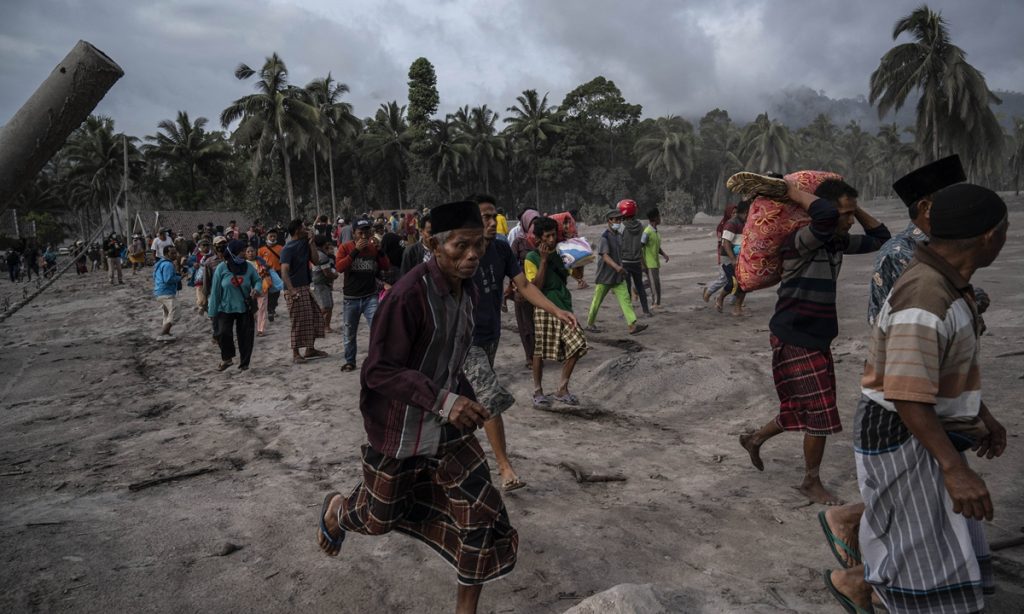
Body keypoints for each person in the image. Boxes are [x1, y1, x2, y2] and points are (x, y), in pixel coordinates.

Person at [316, 201, 517, 614]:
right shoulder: (407, 296)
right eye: (461, 246)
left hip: (446, 427)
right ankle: (338, 510)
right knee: (378, 517)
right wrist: (446, 400)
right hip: (400, 425)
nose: (473, 256)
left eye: (478, 246)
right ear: (433, 243)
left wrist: (465, 398)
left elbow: (449, 357)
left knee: (481, 511)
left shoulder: (470, 290)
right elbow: (379, 371)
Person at [818, 154, 994, 609]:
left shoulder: (938, 257)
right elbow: (904, 352)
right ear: (929, 207)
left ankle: (863, 568)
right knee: (913, 530)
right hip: (907, 398)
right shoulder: (909, 256)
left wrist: (977, 410)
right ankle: (858, 556)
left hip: (924, 387)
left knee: (925, 529)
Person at [739, 179, 890, 505]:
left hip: (815, 336)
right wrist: (789, 191)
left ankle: (754, 438)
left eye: (852, 215)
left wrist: (852, 207)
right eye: (845, 214)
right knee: (821, 413)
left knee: (799, 407)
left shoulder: (835, 242)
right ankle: (811, 482)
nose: (849, 221)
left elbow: (881, 238)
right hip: (794, 333)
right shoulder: (801, 240)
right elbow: (822, 216)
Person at [467, 195, 578, 490]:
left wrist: (556, 310)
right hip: (464, 341)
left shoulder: (502, 248)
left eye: (494, 216)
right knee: (489, 396)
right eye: (484, 217)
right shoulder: (461, 252)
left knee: (465, 399)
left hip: (491, 336)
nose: (492, 222)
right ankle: (504, 468)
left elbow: (525, 286)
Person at [525, 217, 589, 409]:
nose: (552, 239)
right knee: (540, 350)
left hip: (564, 305)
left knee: (578, 343)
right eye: (548, 236)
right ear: (538, 239)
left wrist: (579, 257)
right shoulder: (531, 258)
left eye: (554, 235)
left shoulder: (562, 253)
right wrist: (544, 261)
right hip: (544, 307)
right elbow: (535, 287)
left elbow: (577, 275)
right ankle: (537, 390)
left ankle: (562, 387)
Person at [334, 219, 390, 371]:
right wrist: (355, 251)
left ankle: (378, 360)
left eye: (367, 232)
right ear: (354, 234)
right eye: (360, 233)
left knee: (377, 328)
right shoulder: (345, 247)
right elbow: (339, 267)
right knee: (349, 333)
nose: (364, 236)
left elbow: (385, 266)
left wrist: (380, 251)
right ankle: (350, 361)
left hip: (370, 296)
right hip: (351, 298)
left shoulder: (373, 248)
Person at [585, 210, 649, 335]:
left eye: (620, 219)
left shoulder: (619, 236)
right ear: (609, 221)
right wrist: (617, 267)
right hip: (605, 276)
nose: (619, 222)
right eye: (616, 220)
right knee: (597, 301)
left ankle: (632, 325)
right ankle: (590, 323)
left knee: (625, 299)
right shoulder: (605, 237)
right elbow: (605, 256)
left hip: (618, 277)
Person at [207, 239, 262, 371]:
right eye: (241, 251)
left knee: (246, 337)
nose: (244, 253)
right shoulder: (221, 268)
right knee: (223, 333)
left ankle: (244, 364)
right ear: (232, 253)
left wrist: (257, 289)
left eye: (244, 251)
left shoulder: (249, 267)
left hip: (244, 307)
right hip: (225, 308)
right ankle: (227, 359)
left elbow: (257, 280)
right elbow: (215, 292)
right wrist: (212, 313)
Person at [280, 219, 327, 363]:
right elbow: (284, 272)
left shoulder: (305, 243)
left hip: (305, 286)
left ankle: (310, 349)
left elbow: (316, 260)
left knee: (315, 316)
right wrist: (292, 290)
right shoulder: (288, 249)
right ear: (297, 231)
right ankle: (296, 353)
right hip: (294, 289)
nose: (306, 229)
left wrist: (312, 242)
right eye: (303, 228)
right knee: (298, 321)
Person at [509, 209, 541, 366]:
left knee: (539, 323)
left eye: (537, 222)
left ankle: (539, 354)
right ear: (526, 224)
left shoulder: (542, 240)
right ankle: (530, 356)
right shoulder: (518, 242)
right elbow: (510, 266)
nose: (535, 226)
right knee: (526, 325)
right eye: (532, 223)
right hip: (522, 289)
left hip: (540, 288)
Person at [617, 199, 652, 318]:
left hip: (625, 262)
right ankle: (646, 311)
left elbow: (618, 243)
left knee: (626, 290)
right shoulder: (641, 226)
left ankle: (626, 313)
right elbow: (642, 244)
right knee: (640, 287)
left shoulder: (621, 227)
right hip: (637, 261)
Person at [715, 200, 750, 316]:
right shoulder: (732, 223)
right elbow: (726, 243)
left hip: (740, 257)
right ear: (745, 212)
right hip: (729, 258)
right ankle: (720, 298)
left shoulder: (745, 223)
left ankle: (737, 307)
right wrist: (733, 259)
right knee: (733, 282)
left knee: (745, 282)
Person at [703, 201, 739, 302]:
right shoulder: (723, 226)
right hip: (725, 256)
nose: (735, 215)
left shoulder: (736, 224)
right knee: (725, 278)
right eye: (733, 213)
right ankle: (709, 291)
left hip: (734, 255)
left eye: (736, 212)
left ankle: (734, 298)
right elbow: (722, 243)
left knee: (735, 277)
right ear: (728, 213)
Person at [641, 208, 669, 309]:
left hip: (655, 262)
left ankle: (656, 302)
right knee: (654, 284)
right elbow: (641, 246)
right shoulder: (647, 232)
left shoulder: (655, 231)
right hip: (649, 262)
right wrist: (642, 263)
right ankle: (655, 303)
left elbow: (656, 246)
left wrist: (664, 254)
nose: (660, 218)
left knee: (655, 283)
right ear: (654, 218)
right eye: (659, 216)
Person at [153, 244, 182, 341]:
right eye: (172, 253)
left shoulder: (160, 263)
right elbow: (168, 279)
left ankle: (166, 334)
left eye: (175, 252)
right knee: (175, 311)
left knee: (167, 313)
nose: (174, 255)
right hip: (166, 292)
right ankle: (163, 333)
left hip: (159, 291)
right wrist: (179, 277)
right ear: (166, 253)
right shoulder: (168, 264)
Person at [310, 234, 339, 334]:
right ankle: (314, 324)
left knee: (329, 305)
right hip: (320, 284)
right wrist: (335, 276)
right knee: (326, 306)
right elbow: (327, 273)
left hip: (321, 283)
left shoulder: (318, 253)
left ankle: (326, 326)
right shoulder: (322, 256)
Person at [245, 245, 272, 337]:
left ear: (255, 251)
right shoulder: (243, 264)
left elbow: (268, 272)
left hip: (262, 288)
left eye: (252, 251)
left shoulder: (261, 261)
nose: (250, 253)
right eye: (248, 251)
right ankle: (250, 327)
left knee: (262, 308)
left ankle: (261, 329)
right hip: (248, 289)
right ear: (245, 253)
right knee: (249, 309)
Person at [258, 229, 284, 322]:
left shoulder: (281, 248)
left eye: (274, 236)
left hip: (278, 272)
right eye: (271, 236)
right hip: (266, 274)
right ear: (267, 237)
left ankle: (272, 308)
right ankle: (269, 310)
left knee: (276, 291)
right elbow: (258, 262)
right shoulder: (261, 250)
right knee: (267, 291)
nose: (272, 238)